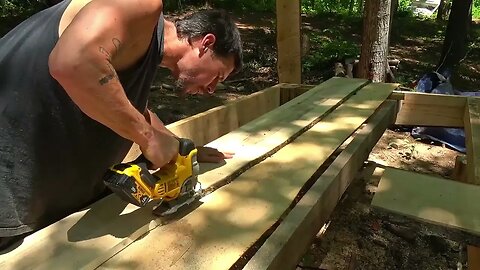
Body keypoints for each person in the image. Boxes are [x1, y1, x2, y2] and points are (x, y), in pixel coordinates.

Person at [0, 0, 243, 250]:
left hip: (36, 219)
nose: (212, 89)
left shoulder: (136, 51)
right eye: (218, 76)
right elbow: (73, 62)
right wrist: (148, 138)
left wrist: (182, 147)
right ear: (206, 43)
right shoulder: (140, 5)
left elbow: (126, 106)